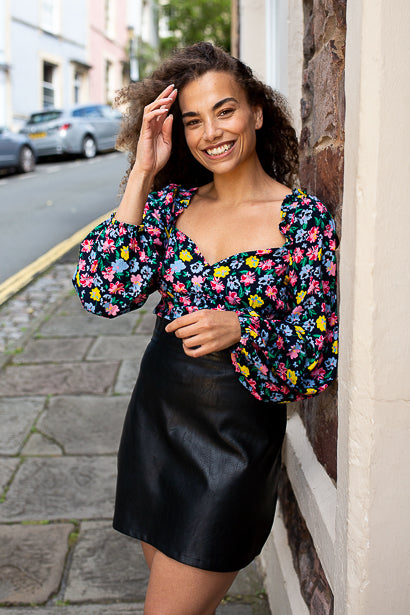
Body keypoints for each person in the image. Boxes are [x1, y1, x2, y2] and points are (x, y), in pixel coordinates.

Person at [73, 42, 338, 615]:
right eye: (192, 119)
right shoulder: (169, 207)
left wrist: (244, 327)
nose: (210, 131)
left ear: (257, 112)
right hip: (156, 425)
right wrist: (142, 170)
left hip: (234, 445)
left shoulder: (304, 222)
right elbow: (101, 291)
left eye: (224, 110)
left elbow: (316, 356)